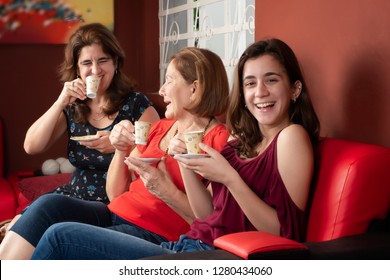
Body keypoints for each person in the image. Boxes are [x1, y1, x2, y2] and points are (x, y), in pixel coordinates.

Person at [29, 38, 321, 259]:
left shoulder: (291, 136)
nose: (260, 92)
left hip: (210, 255)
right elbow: (207, 216)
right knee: (53, 220)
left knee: (60, 237)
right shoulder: (242, 139)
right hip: (190, 245)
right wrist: (185, 162)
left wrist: (228, 177)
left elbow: (282, 233)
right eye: (250, 83)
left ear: (294, 89)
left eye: (271, 80)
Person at [0, 46, 230, 259]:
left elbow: (210, 221)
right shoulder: (160, 128)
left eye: (169, 80)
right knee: (47, 206)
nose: (161, 90)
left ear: (195, 87)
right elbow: (116, 194)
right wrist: (121, 150)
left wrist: (165, 189)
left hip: (156, 235)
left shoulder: (219, 141)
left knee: (60, 235)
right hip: (114, 213)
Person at [0, 23, 160, 240]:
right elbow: (31, 146)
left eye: (102, 60)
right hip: (73, 195)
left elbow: (155, 163)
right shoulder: (75, 106)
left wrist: (119, 146)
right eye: (87, 63)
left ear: (115, 63)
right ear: (77, 69)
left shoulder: (137, 105)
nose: (95, 70)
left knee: (34, 223)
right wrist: (60, 102)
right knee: (16, 228)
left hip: (112, 204)